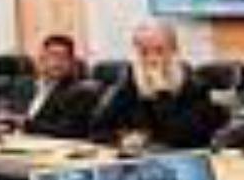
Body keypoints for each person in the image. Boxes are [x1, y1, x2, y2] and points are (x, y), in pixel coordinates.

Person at [92, 20, 229, 150]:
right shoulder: (129, 81)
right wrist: (123, 138)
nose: (152, 59)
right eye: (144, 53)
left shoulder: (193, 85)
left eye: (159, 51)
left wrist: (162, 94)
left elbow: (177, 137)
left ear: (174, 50)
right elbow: (97, 128)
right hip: (141, 157)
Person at [21, 34, 98, 140]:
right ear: (41, 60)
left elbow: (69, 130)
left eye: (63, 58)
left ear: (72, 62)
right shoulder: (27, 86)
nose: (57, 63)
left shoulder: (81, 92)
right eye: (52, 56)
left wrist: (25, 124)